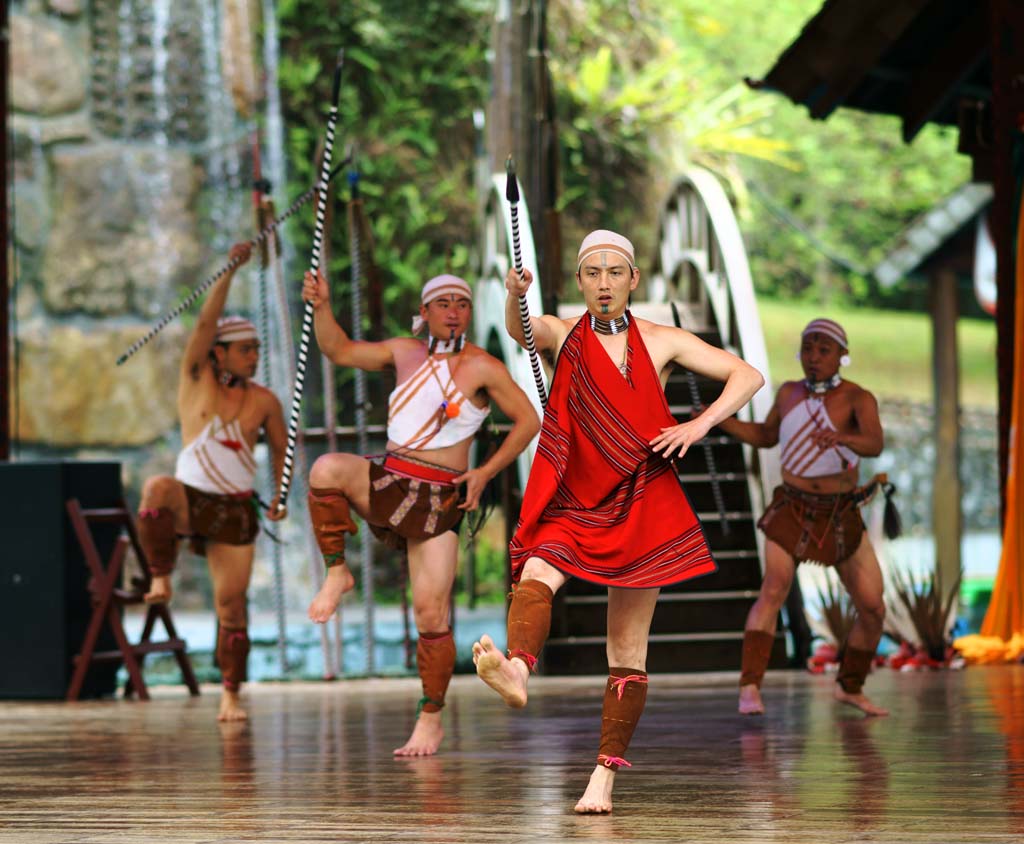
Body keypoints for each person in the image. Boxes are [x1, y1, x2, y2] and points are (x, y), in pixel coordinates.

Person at [471, 230, 764, 814]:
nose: (604, 283)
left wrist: (697, 425)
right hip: (577, 500)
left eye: (615, 272)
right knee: (536, 568)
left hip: (643, 500)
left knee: (626, 648)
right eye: (593, 273)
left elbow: (748, 376)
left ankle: (602, 780)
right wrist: (514, 295)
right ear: (581, 282)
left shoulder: (661, 339)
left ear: (633, 280)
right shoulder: (562, 334)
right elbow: (522, 330)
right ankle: (519, 671)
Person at [301, 269, 541, 757]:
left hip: (439, 498)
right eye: (444, 303)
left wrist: (485, 472)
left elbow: (529, 420)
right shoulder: (403, 352)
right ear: (425, 312)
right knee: (326, 468)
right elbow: (339, 350)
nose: (454, 311)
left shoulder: (483, 365)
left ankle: (430, 718)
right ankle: (336, 571)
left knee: (431, 615)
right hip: (389, 482)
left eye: (462, 303)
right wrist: (322, 305)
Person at [136, 242, 288, 722]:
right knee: (158, 487)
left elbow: (284, 452)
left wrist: (281, 496)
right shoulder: (195, 376)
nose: (255, 357)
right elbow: (204, 323)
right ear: (219, 354)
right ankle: (161, 576)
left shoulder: (264, 401)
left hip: (234, 509)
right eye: (246, 350)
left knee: (232, 608)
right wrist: (230, 270)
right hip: (191, 499)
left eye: (258, 350)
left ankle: (231, 693)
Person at [716, 318, 891, 718]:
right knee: (774, 588)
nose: (813, 358)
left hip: (840, 512)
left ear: (842, 355)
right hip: (792, 507)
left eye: (823, 350)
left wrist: (844, 438)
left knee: (873, 608)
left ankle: (850, 686)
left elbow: (875, 443)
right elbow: (766, 436)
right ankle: (749, 687)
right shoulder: (789, 392)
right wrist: (718, 421)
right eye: (807, 349)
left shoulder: (857, 398)